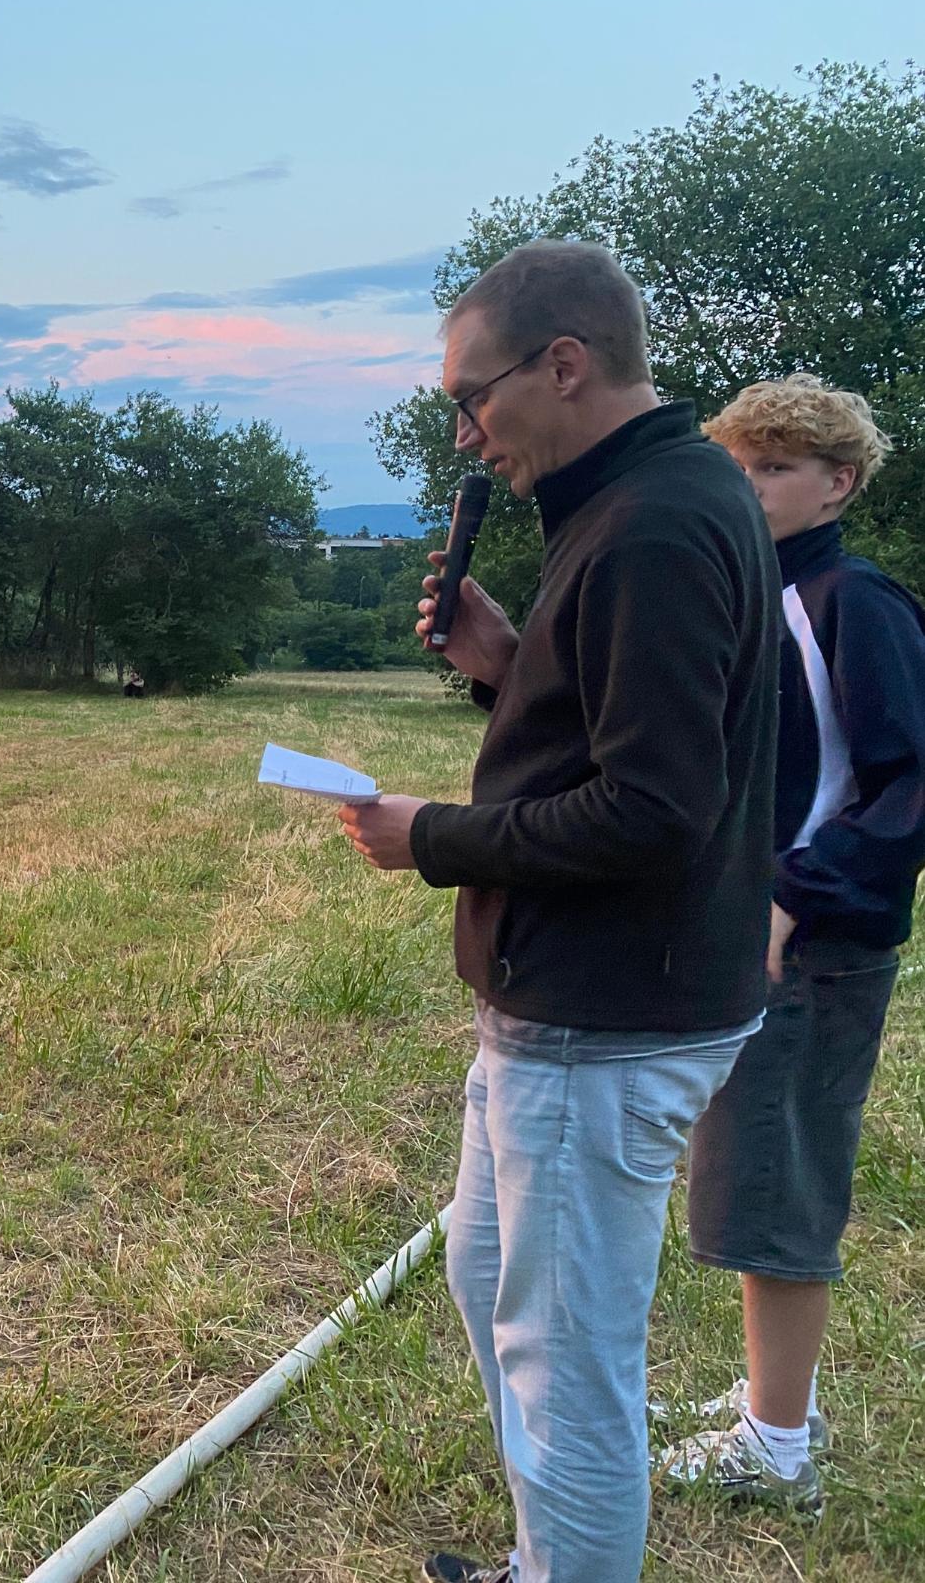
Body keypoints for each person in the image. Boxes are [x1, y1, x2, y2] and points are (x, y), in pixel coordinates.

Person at [334, 239, 780, 1583]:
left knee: (563, 1363)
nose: (466, 432)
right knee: (490, 1289)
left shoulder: (651, 522)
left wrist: (434, 840)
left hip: (605, 1016)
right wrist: (505, 663)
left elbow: (652, 813)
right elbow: (618, 734)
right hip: (570, 1000)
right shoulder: (645, 502)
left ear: (564, 364)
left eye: (471, 399)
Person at [651, 376, 925, 1514]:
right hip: (749, 936)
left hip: (815, 947)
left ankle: (778, 1445)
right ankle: (772, 1395)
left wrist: (796, 896)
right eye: (738, 462)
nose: (748, 482)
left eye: (774, 465)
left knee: (783, 1180)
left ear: (837, 482)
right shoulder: (755, 593)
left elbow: (910, 783)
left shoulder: (856, 602)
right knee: (743, 1170)